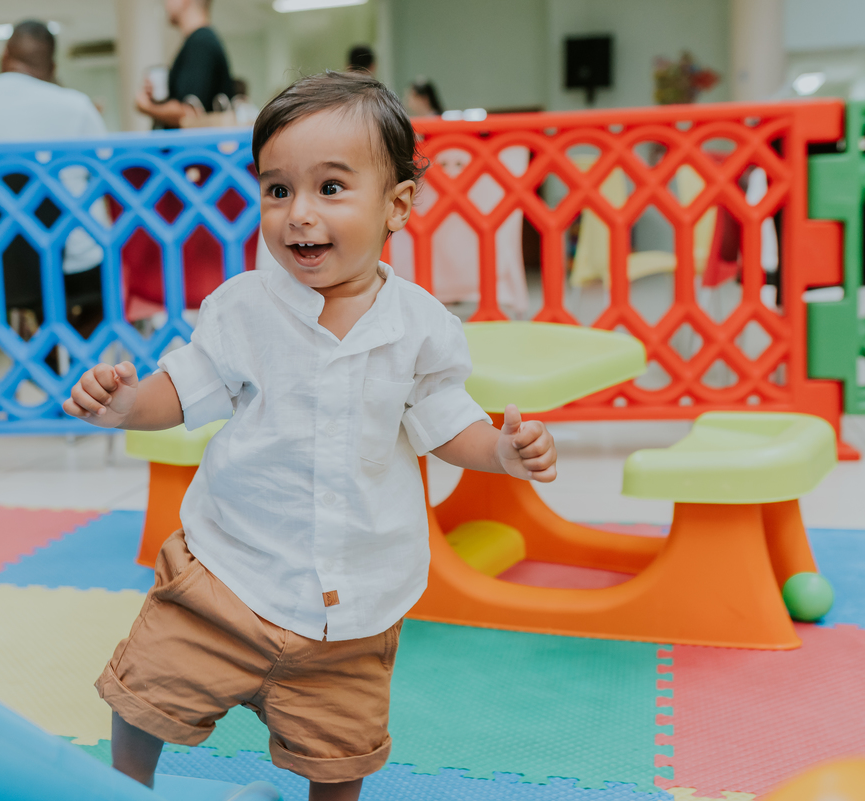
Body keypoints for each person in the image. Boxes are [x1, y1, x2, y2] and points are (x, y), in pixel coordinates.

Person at [65, 71, 558, 801]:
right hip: (229, 571)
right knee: (149, 685)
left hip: (355, 603)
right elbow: (184, 388)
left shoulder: (420, 326)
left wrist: (502, 452)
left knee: (339, 750)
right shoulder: (243, 307)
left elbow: (445, 421)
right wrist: (124, 403)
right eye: (277, 189)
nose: (299, 214)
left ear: (398, 205)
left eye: (331, 189)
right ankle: (123, 785)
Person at [0, 20, 109, 338]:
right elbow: (107, 176)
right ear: (52, 65)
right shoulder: (76, 106)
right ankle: (66, 358)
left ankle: (35, 351)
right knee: (107, 281)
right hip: (63, 265)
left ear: (4, 56)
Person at [135, 0, 234, 129]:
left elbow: (190, 113)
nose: (165, 4)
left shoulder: (201, 43)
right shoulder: (200, 42)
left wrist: (147, 107)